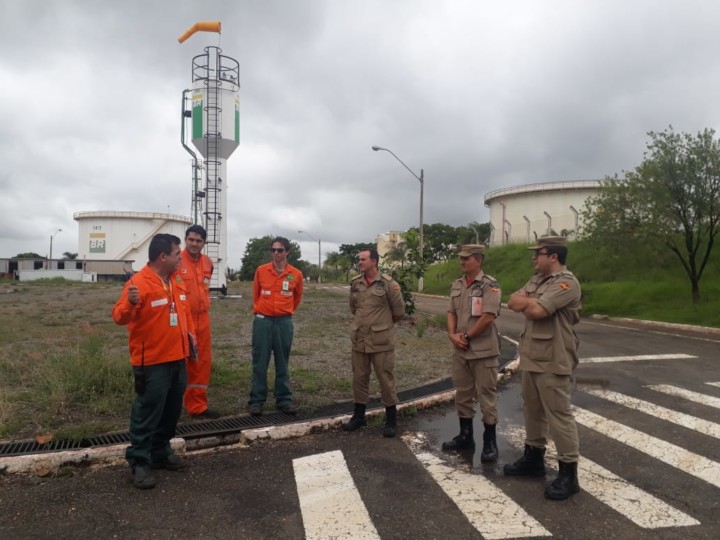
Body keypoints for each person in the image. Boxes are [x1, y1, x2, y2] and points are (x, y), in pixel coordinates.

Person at [112, 234, 196, 490]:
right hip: (152, 362)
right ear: (163, 256)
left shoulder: (175, 280)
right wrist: (130, 303)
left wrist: (190, 339)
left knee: (171, 410)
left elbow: (184, 312)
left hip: (178, 358)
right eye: (177, 254)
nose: (180, 258)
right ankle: (139, 461)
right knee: (147, 412)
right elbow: (119, 317)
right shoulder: (138, 283)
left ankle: (160, 451)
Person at [504, 236, 582, 501]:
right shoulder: (537, 280)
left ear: (554, 256)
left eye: (538, 253)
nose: (533, 258)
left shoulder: (567, 283)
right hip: (532, 355)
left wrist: (531, 303)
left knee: (559, 415)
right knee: (532, 410)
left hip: (554, 358)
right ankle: (534, 458)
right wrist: (532, 302)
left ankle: (569, 473)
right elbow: (512, 301)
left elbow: (538, 312)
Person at [443, 244, 502, 462]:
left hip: (483, 350)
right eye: (461, 258)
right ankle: (465, 436)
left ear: (479, 260)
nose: (462, 261)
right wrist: (452, 335)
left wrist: (466, 336)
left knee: (486, 395)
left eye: (467, 258)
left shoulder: (489, 285)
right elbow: (451, 312)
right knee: (463, 394)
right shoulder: (457, 284)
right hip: (460, 350)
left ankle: (490, 441)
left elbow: (488, 316)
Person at [343, 249, 405, 438]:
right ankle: (359, 416)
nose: (360, 262)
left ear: (374, 262)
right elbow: (353, 308)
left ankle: (391, 420)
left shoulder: (388, 284)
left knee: (385, 379)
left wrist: (382, 326)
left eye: (363, 259)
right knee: (359, 378)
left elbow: (399, 312)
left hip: (381, 341)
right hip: (360, 339)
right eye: (359, 259)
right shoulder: (356, 283)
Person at [248, 237, 304, 416]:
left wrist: (284, 311)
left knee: (282, 362)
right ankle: (257, 401)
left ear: (287, 252)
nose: (276, 253)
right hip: (263, 321)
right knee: (260, 362)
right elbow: (256, 295)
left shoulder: (296, 274)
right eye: (273, 250)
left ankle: (284, 400)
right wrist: (262, 312)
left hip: (284, 322)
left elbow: (297, 297)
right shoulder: (261, 271)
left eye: (280, 250)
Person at [179, 224, 220, 419]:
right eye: (191, 239)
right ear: (185, 239)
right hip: (181, 319)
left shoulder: (208, 262)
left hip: (202, 319)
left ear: (204, 242)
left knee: (201, 363)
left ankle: (197, 406)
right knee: (178, 363)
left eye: (198, 240)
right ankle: (171, 404)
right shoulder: (176, 261)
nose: (194, 243)